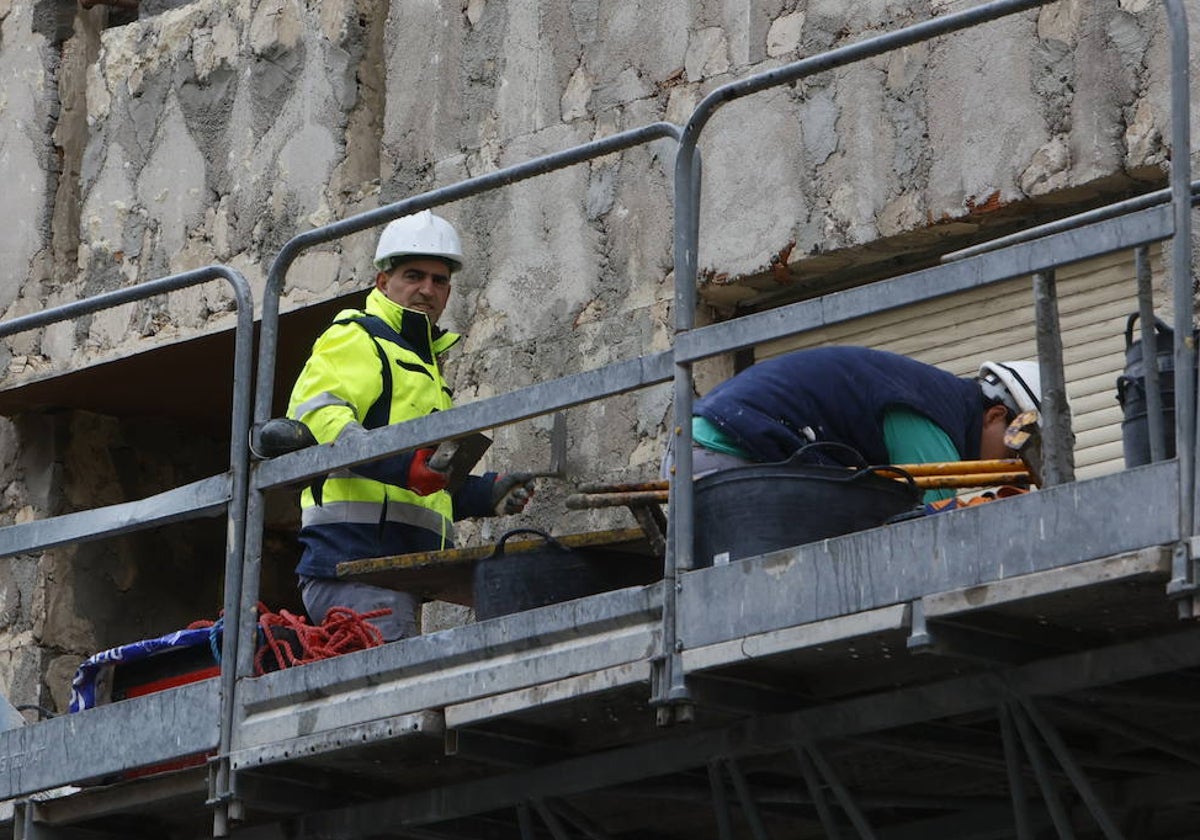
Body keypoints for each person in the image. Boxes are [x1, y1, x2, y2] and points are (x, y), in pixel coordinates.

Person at [285, 210, 535, 641]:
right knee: (396, 699)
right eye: (414, 275)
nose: (427, 289)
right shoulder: (358, 336)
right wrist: (403, 466)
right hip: (353, 566)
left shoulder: (424, 364)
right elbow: (320, 418)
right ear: (383, 282)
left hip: (396, 571)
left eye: (439, 280)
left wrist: (484, 493)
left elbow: (422, 484)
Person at [664, 346, 1043, 501]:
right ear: (995, 416)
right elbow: (931, 533)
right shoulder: (934, 421)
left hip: (696, 456)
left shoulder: (928, 396)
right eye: (1015, 449)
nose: (1011, 469)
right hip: (726, 460)